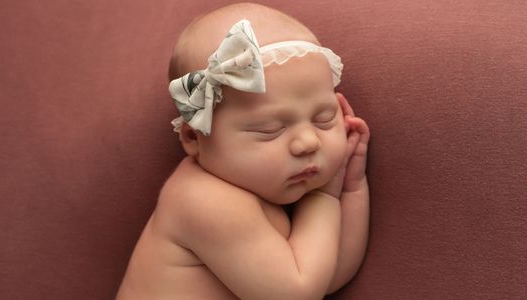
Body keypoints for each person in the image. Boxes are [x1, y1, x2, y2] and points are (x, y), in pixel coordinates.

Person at [117, 2, 370, 299]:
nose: (309, 142)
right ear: (195, 138)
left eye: (324, 119)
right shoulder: (202, 200)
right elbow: (298, 291)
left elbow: (328, 274)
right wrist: (324, 197)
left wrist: (351, 189)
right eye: (269, 130)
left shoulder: (256, 192)